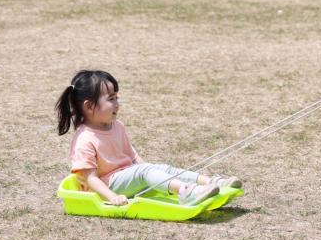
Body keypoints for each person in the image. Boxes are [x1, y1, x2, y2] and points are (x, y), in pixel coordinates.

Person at [55, 70, 242, 206]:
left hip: (125, 179)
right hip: (106, 187)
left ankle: (209, 182)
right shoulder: (84, 139)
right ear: (89, 107)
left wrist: (151, 170)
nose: (117, 104)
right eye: (111, 99)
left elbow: (134, 158)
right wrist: (112, 197)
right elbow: (90, 179)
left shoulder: (117, 126)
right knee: (143, 172)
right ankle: (186, 192)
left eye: (116, 98)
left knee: (161, 168)